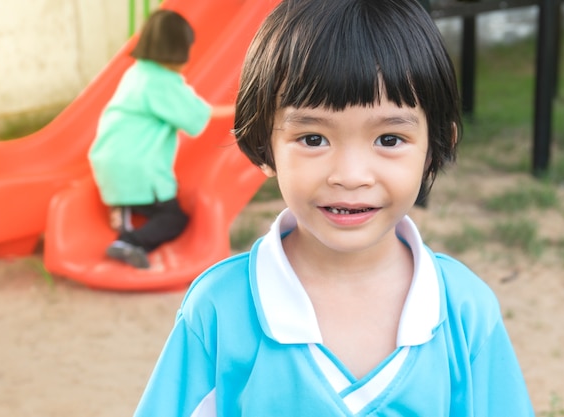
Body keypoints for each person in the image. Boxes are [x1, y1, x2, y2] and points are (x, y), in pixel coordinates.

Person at [134, 0, 535, 415]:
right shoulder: (219, 309)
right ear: (263, 147)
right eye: (313, 139)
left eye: (389, 140)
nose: (350, 175)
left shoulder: (465, 310)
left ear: (436, 146)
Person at [88, 9, 235, 269]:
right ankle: (130, 241)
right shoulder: (163, 82)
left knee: (139, 196)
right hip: (138, 169)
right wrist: (238, 110)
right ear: (177, 52)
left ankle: (124, 208)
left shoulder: (136, 73)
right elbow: (197, 114)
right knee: (174, 217)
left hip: (107, 161)